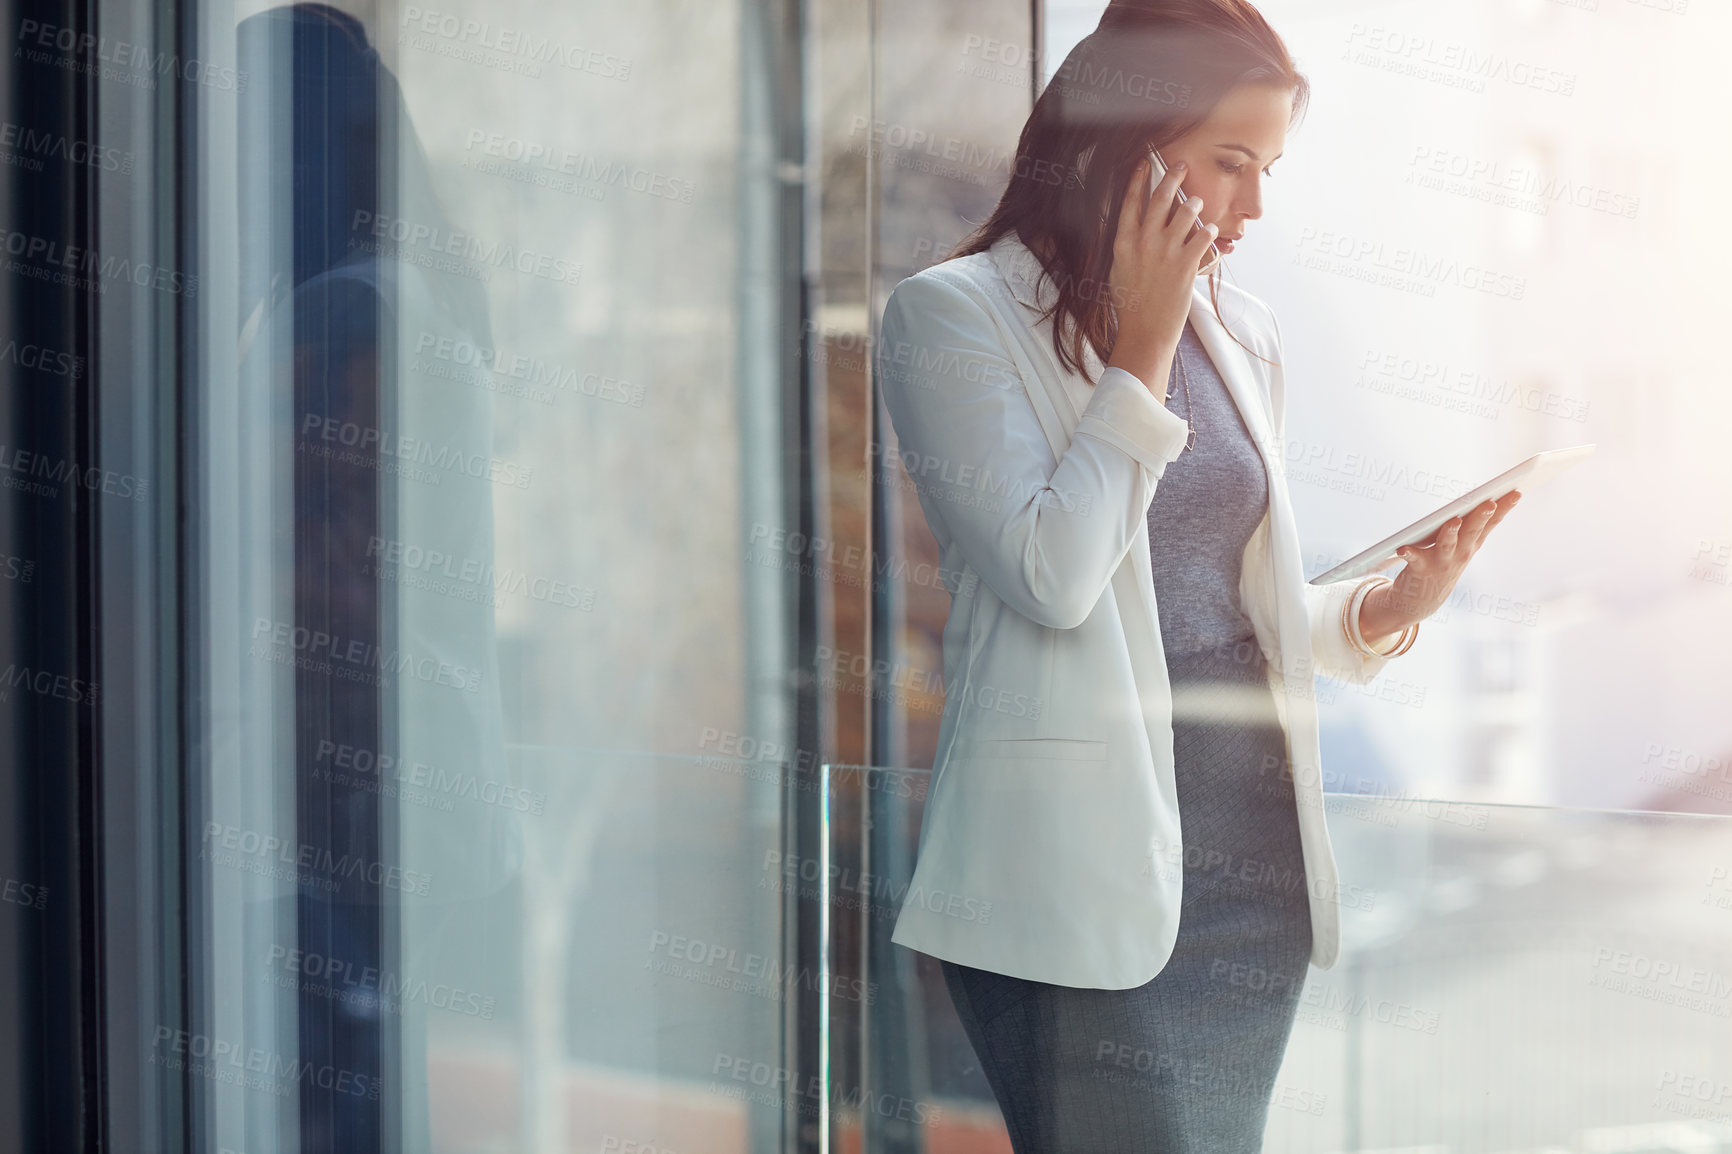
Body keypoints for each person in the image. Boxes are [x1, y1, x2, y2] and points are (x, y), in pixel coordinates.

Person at [875, 1, 1519, 1149]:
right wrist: (1141, 344)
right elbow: (1054, 577)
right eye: (1230, 162)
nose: (1253, 206)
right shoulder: (951, 317)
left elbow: (1224, 607)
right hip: (1078, 885)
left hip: (1250, 870)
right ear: (1120, 137)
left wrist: (1381, 610)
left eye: (1266, 169)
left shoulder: (1242, 327)